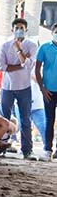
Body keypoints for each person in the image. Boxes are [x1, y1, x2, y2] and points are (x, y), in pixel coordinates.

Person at [0, 18, 38, 160]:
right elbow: (1, 67)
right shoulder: (4, 46)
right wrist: (21, 64)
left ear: (26, 30)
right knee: (4, 118)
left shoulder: (32, 46)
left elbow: (29, 65)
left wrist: (19, 50)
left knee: (25, 119)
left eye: (22, 28)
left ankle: (27, 150)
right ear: (12, 30)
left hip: (24, 87)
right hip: (7, 87)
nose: (19, 30)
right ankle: (1, 146)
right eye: (17, 28)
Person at [36, 22, 57, 161]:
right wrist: (42, 88)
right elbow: (37, 69)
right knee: (49, 120)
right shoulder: (44, 48)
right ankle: (47, 149)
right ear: (52, 32)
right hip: (49, 91)